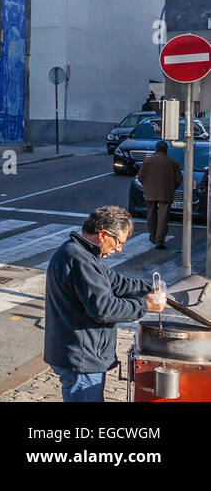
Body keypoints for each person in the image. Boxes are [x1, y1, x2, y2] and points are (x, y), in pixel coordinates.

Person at [43, 205, 165, 402]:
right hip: (81, 357)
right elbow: (104, 309)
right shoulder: (80, 259)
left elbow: (117, 282)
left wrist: (151, 287)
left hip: (82, 353)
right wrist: (145, 306)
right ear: (103, 235)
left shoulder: (83, 253)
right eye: (119, 242)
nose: (119, 249)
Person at [137, 140, 180, 250]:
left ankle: (152, 235)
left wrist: (147, 186)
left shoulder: (147, 161)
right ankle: (160, 240)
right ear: (167, 150)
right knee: (163, 217)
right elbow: (179, 179)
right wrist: (171, 187)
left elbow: (140, 177)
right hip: (166, 193)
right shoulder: (173, 163)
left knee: (151, 214)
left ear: (156, 149)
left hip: (150, 192)